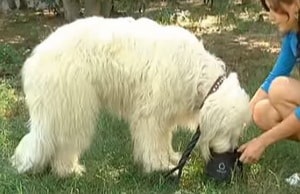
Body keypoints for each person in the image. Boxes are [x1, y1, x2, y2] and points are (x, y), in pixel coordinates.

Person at [238, 0, 300, 164]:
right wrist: (239, 124)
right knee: (261, 112)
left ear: (296, 6)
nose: (270, 16)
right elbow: (273, 77)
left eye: (275, 9)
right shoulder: (293, 34)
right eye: (268, 9)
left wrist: (262, 142)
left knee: (279, 89)